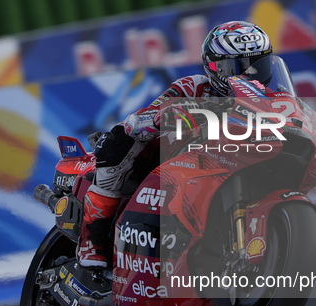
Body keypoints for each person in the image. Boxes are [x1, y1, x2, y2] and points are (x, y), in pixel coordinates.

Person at [78, 21, 274, 268]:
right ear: (215, 68)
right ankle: (91, 239)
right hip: (167, 164)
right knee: (120, 138)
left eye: (257, 66)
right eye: (238, 68)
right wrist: (165, 115)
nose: (247, 76)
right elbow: (141, 120)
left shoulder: (273, 98)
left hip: (227, 166)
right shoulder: (192, 86)